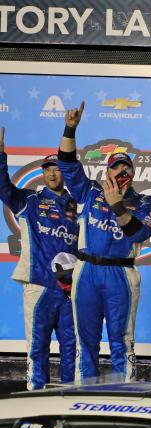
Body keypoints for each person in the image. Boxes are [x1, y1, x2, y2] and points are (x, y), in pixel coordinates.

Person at [57, 102, 151, 383]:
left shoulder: (146, 202)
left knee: (121, 341)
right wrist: (70, 128)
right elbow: (66, 164)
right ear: (107, 173)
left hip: (121, 275)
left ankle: (124, 398)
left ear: (134, 175)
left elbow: (139, 234)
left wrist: (118, 207)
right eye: (116, 169)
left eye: (126, 170)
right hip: (87, 271)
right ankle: (83, 399)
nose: (121, 174)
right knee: (85, 342)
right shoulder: (90, 190)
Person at [0, 131, 78, 390]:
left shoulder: (78, 204)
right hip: (38, 285)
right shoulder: (30, 200)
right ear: (43, 174)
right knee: (37, 346)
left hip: (70, 290)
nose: (53, 174)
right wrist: (1, 157)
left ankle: (70, 399)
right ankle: (36, 396)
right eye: (48, 170)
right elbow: (3, 187)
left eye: (56, 168)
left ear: (65, 172)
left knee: (71, 346)